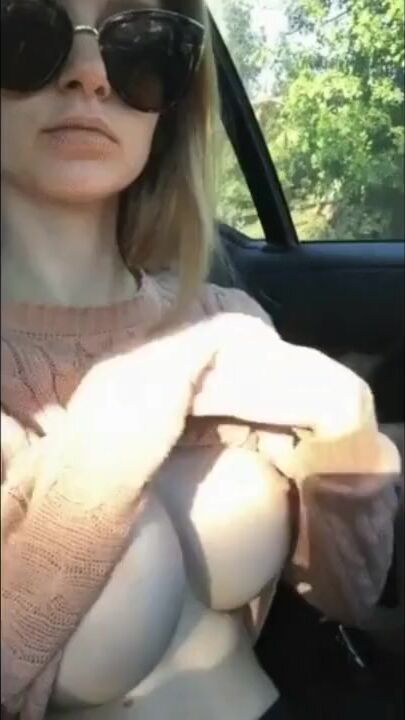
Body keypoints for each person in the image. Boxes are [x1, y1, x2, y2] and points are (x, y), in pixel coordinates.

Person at [0, 1, 401, 719]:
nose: (90, 74)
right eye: (25, 32)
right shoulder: (215, 344)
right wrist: (148, 388)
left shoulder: (222, 317)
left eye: (141, 45)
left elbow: (345, 598)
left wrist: (347, 431)